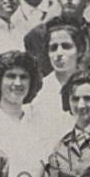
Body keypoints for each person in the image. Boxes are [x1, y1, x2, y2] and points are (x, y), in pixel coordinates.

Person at [29, 16, 83, 158]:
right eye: (53, 48)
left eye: (66, 46)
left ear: (80, 50)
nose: (59, 54)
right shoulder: (38, 90)